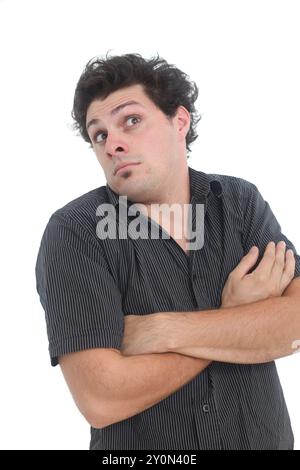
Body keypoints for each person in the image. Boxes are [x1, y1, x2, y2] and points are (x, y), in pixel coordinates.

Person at [35, 52, 300, 450]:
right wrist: (236, 320)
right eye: (99, 135)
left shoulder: (239, 202)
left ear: (179, 121)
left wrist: (162, 331)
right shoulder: (75, 233)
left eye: (131, 121)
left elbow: (294, 324)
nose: (113, 144)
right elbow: (102, 398)